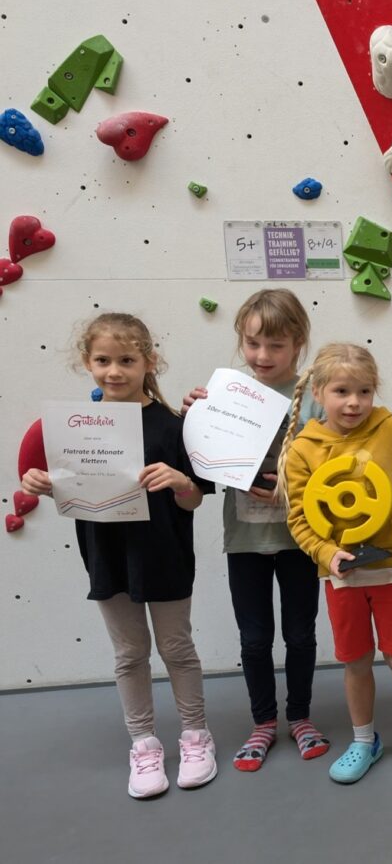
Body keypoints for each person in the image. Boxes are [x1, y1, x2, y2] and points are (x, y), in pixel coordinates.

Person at [22, 313, 216, 799]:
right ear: (87, 363)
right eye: (103, 360)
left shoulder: (174, 426)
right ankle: (143, 744)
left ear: (150, 361)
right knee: (129, 654)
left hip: (166, 555)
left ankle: (196, 735)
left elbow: (194, 500)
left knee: (177, 649)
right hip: (107, 555)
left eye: (127, 360)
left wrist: (181, 481)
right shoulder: (75, 428)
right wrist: (42, 483)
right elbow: (72, 489)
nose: (114, 371)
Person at [280, 343, 392, 783]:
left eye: (364, 391)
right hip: (341, 577)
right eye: (342, 391)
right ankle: (363, 740)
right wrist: (325, 553)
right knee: (355, 661)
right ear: (319, 392)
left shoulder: (388, 426)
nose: (354, 402)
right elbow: (298, 518)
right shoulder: (303, 449)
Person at [181, 290, 329, 772]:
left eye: (276, 345)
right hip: (245, 539)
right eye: (252, 343)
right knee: (254, 638)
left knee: (301, 634)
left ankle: (300, 717)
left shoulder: (316, 398)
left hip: (301, 539)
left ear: (299, 343)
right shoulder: (226, 395)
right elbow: (201, 459)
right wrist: (194, 416)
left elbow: (335, 468)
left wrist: (295, 492)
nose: (262, 355)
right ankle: (263, 722)